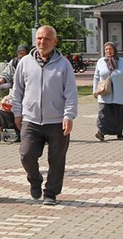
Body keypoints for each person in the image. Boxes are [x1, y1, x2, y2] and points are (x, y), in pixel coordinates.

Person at [10, 25, 78, 206]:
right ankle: (35, 179)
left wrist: (68, 116)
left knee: (56, 159)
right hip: (31, 119)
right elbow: (17, 91)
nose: (42, 42)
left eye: (47, 39)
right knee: (26, 154)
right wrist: (17, 113)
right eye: (39, 38)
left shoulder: (64, 64)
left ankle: (51, 193)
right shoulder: (25, 62)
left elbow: (71, 93)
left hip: (56, 120)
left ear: (55, 42)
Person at [91, 41, 123, 141]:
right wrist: (94, 90)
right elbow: (96, 77)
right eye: (106, 49)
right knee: (103, 113)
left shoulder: (122, 62)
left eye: (110, 49)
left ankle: (119, 132)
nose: (108, 51)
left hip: (119, 93)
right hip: (104, 92)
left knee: (119, 113)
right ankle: (101, 132)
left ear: (114, 50)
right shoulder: (101, 61)